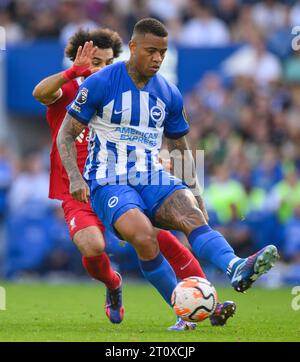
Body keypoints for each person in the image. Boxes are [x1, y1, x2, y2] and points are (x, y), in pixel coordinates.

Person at [57, 18, 278, 323]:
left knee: (192, 216)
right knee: (144, 236)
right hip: (109, 181)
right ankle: (183, 313)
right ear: (132, 48)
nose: (158, 58)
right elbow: (65, 134)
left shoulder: (169, 92)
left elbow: (179, 145)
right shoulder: (101, 82)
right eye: (151, 51)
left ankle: (235, 267)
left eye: (162, 52)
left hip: (152, 175)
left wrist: (196, 191)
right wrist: (74, 176)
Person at [33, 27, 236, 330]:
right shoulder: (71, 93)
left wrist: (163, 167)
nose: (97, 68)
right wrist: (73, 72)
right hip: (80, 191)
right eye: (92, 62)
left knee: (160, 237)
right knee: (92, 247)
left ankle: (205, 303)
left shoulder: (122, 93)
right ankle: (113, 283)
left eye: (105, 62)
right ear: (77, 61)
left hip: (123, 184)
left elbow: (150, 139)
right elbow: (40, 93)